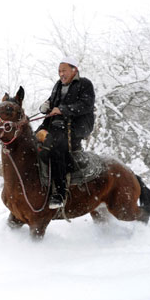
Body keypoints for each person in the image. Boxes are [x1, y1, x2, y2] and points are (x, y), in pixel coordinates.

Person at [36, 57, 95, 209]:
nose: (61, 74)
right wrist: (47, 105)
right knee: (33, 139)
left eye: (64, 71)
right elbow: (52, 101)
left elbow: (86, 105)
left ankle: (60, 194)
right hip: (57, 124)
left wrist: (63, 110)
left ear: (74, 70)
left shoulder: (85, 84)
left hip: (77, 126)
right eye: (59, 71)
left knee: (56, 147)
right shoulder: (58, 85)